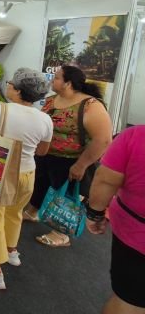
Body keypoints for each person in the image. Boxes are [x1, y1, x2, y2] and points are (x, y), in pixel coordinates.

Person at [0, 68, 53, 290]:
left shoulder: (0, 109)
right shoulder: (45, 118)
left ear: (17, 90)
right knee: (15, 212)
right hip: (28, 172)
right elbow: (43, 151)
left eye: (10, 83)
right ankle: (11, 250)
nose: (7, 85)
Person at [24, 65, 113, 248]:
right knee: (40, 185)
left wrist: (82, 165)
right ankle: (33, 211)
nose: (51, 80)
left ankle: (61, 233)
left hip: (72, 160)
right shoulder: (51, 100)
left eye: (56, 78)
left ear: (67, 83)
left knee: (65, 196)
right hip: (47, 155)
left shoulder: (90, 106)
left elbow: (103, 140)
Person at [86, 126, 145, 314]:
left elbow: (106, 180)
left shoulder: (136, 136)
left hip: (136, 238)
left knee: (130, 300)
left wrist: (95, 214)